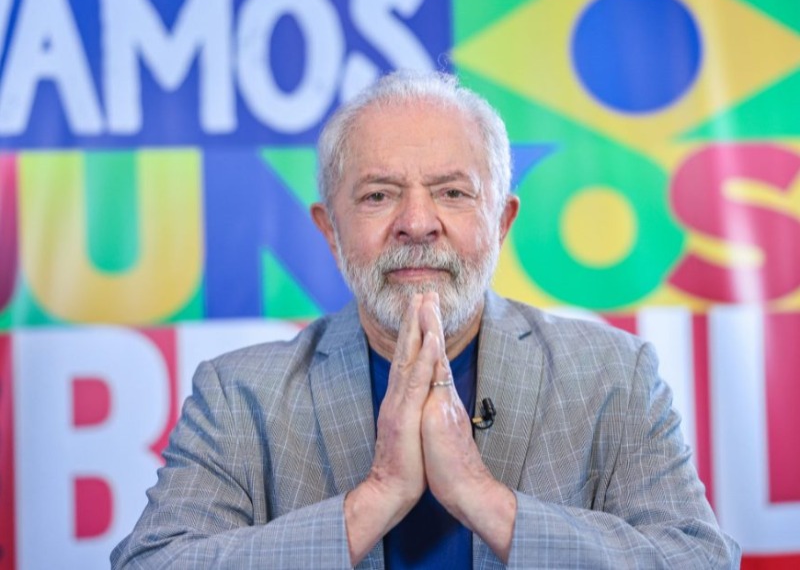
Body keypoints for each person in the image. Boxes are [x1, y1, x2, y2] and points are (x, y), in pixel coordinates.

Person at [112, 71, 740, 568]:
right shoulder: (238, 395)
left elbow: (699, 560)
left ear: (501, 222)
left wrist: (483, 498)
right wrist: (375, 497)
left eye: (452, 192)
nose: (417, 223)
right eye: (378, 195)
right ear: (330, 231)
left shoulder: (613, 375)